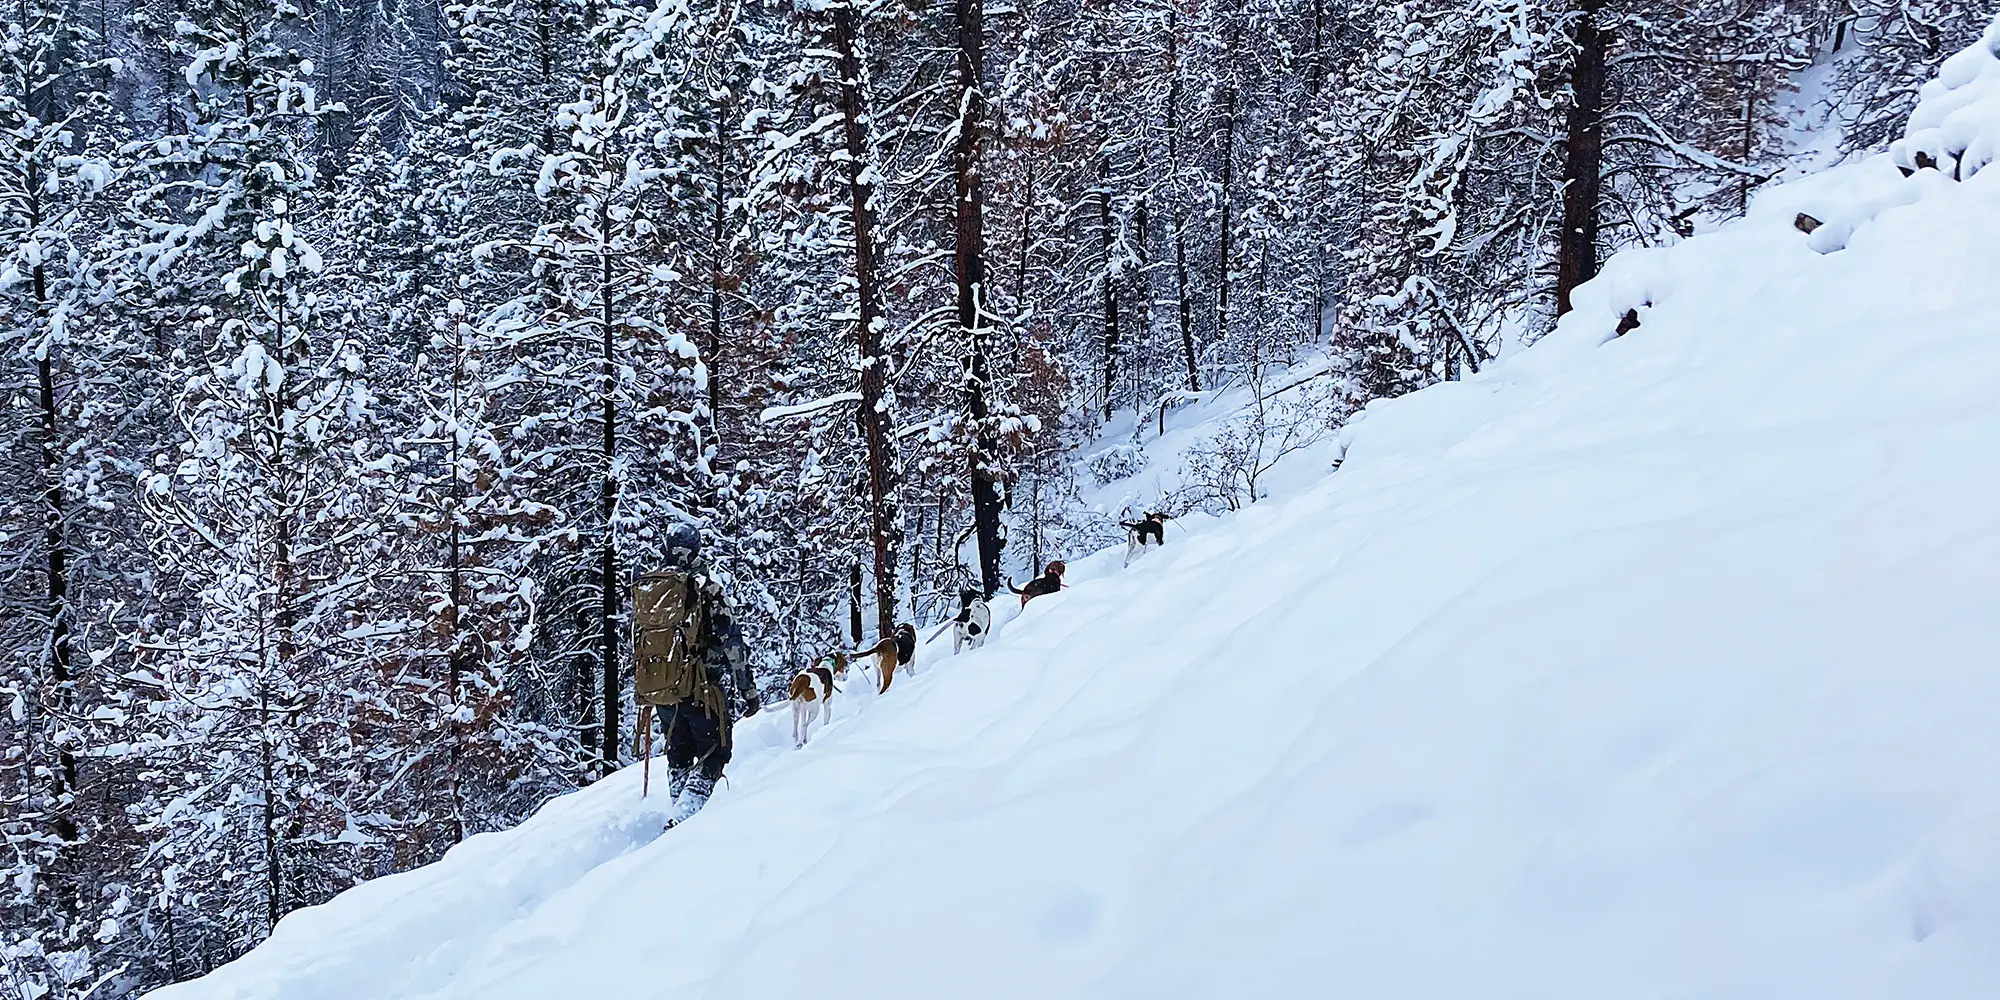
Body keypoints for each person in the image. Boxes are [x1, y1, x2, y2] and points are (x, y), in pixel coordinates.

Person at [643, 524, 760, 828]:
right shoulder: (706, 591)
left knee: (678, 755)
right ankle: (684, 821)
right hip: (705, 691)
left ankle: (677, 812)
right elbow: (733, 644)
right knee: (715, 752)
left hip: (665, 691)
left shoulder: (653, 591)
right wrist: (748, 690)